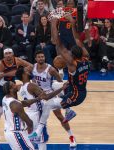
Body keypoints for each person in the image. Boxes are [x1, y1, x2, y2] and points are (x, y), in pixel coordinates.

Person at [29, 14, 90, 147]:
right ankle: (69, 111)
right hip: (76, 89)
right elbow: (78, 40)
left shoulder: (72, 64)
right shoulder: (86, 57)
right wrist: (72, 24)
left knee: (48, 104)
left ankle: (39, 131)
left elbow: (58, 43)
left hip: (75, 96)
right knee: (58, 85)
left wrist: (54, 23)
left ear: (72, 56)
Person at [29, 50, 77, 147]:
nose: (41, 58)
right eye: (39, 57)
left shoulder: (51, 69)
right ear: (35, 58)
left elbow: (60, 83)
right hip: (38, 95)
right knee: (35, 116)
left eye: (42, 56)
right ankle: (35, 136)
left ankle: (71, 136)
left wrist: (60, 72)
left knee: (60, 117)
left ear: (44, 58)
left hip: (50, 95)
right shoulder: (32, 67)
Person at [16, 66, 68, 149]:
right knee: (41, 141)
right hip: (37, 115)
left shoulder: (20, 87)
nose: (29, 72)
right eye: (26, 71)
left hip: (29, 114)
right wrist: (62, 88)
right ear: (23, 75)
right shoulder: (31, 85)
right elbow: (46, 97)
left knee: (31, 140)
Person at [0, 47, 33, 141]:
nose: (8, 55)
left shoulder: (17, 60)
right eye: (6, 54)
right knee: (0, 110)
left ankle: (20, 126)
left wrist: (11, 73)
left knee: (16, 107)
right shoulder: (0, 64)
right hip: (1, 87)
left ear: (13, 54)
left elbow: (31, 66)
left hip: (11, 86)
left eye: (10, 53)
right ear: (4, 56)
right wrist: (14, 73)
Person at [3, 81, 38, 150]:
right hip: (16, 134)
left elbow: (22, 103)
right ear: (11, 90)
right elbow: (29, 122)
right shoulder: (15, 104)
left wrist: (38, 99)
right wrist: (31, 133)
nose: (16, 85)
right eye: (14, 85)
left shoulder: (5, 99)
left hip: (9, 132)